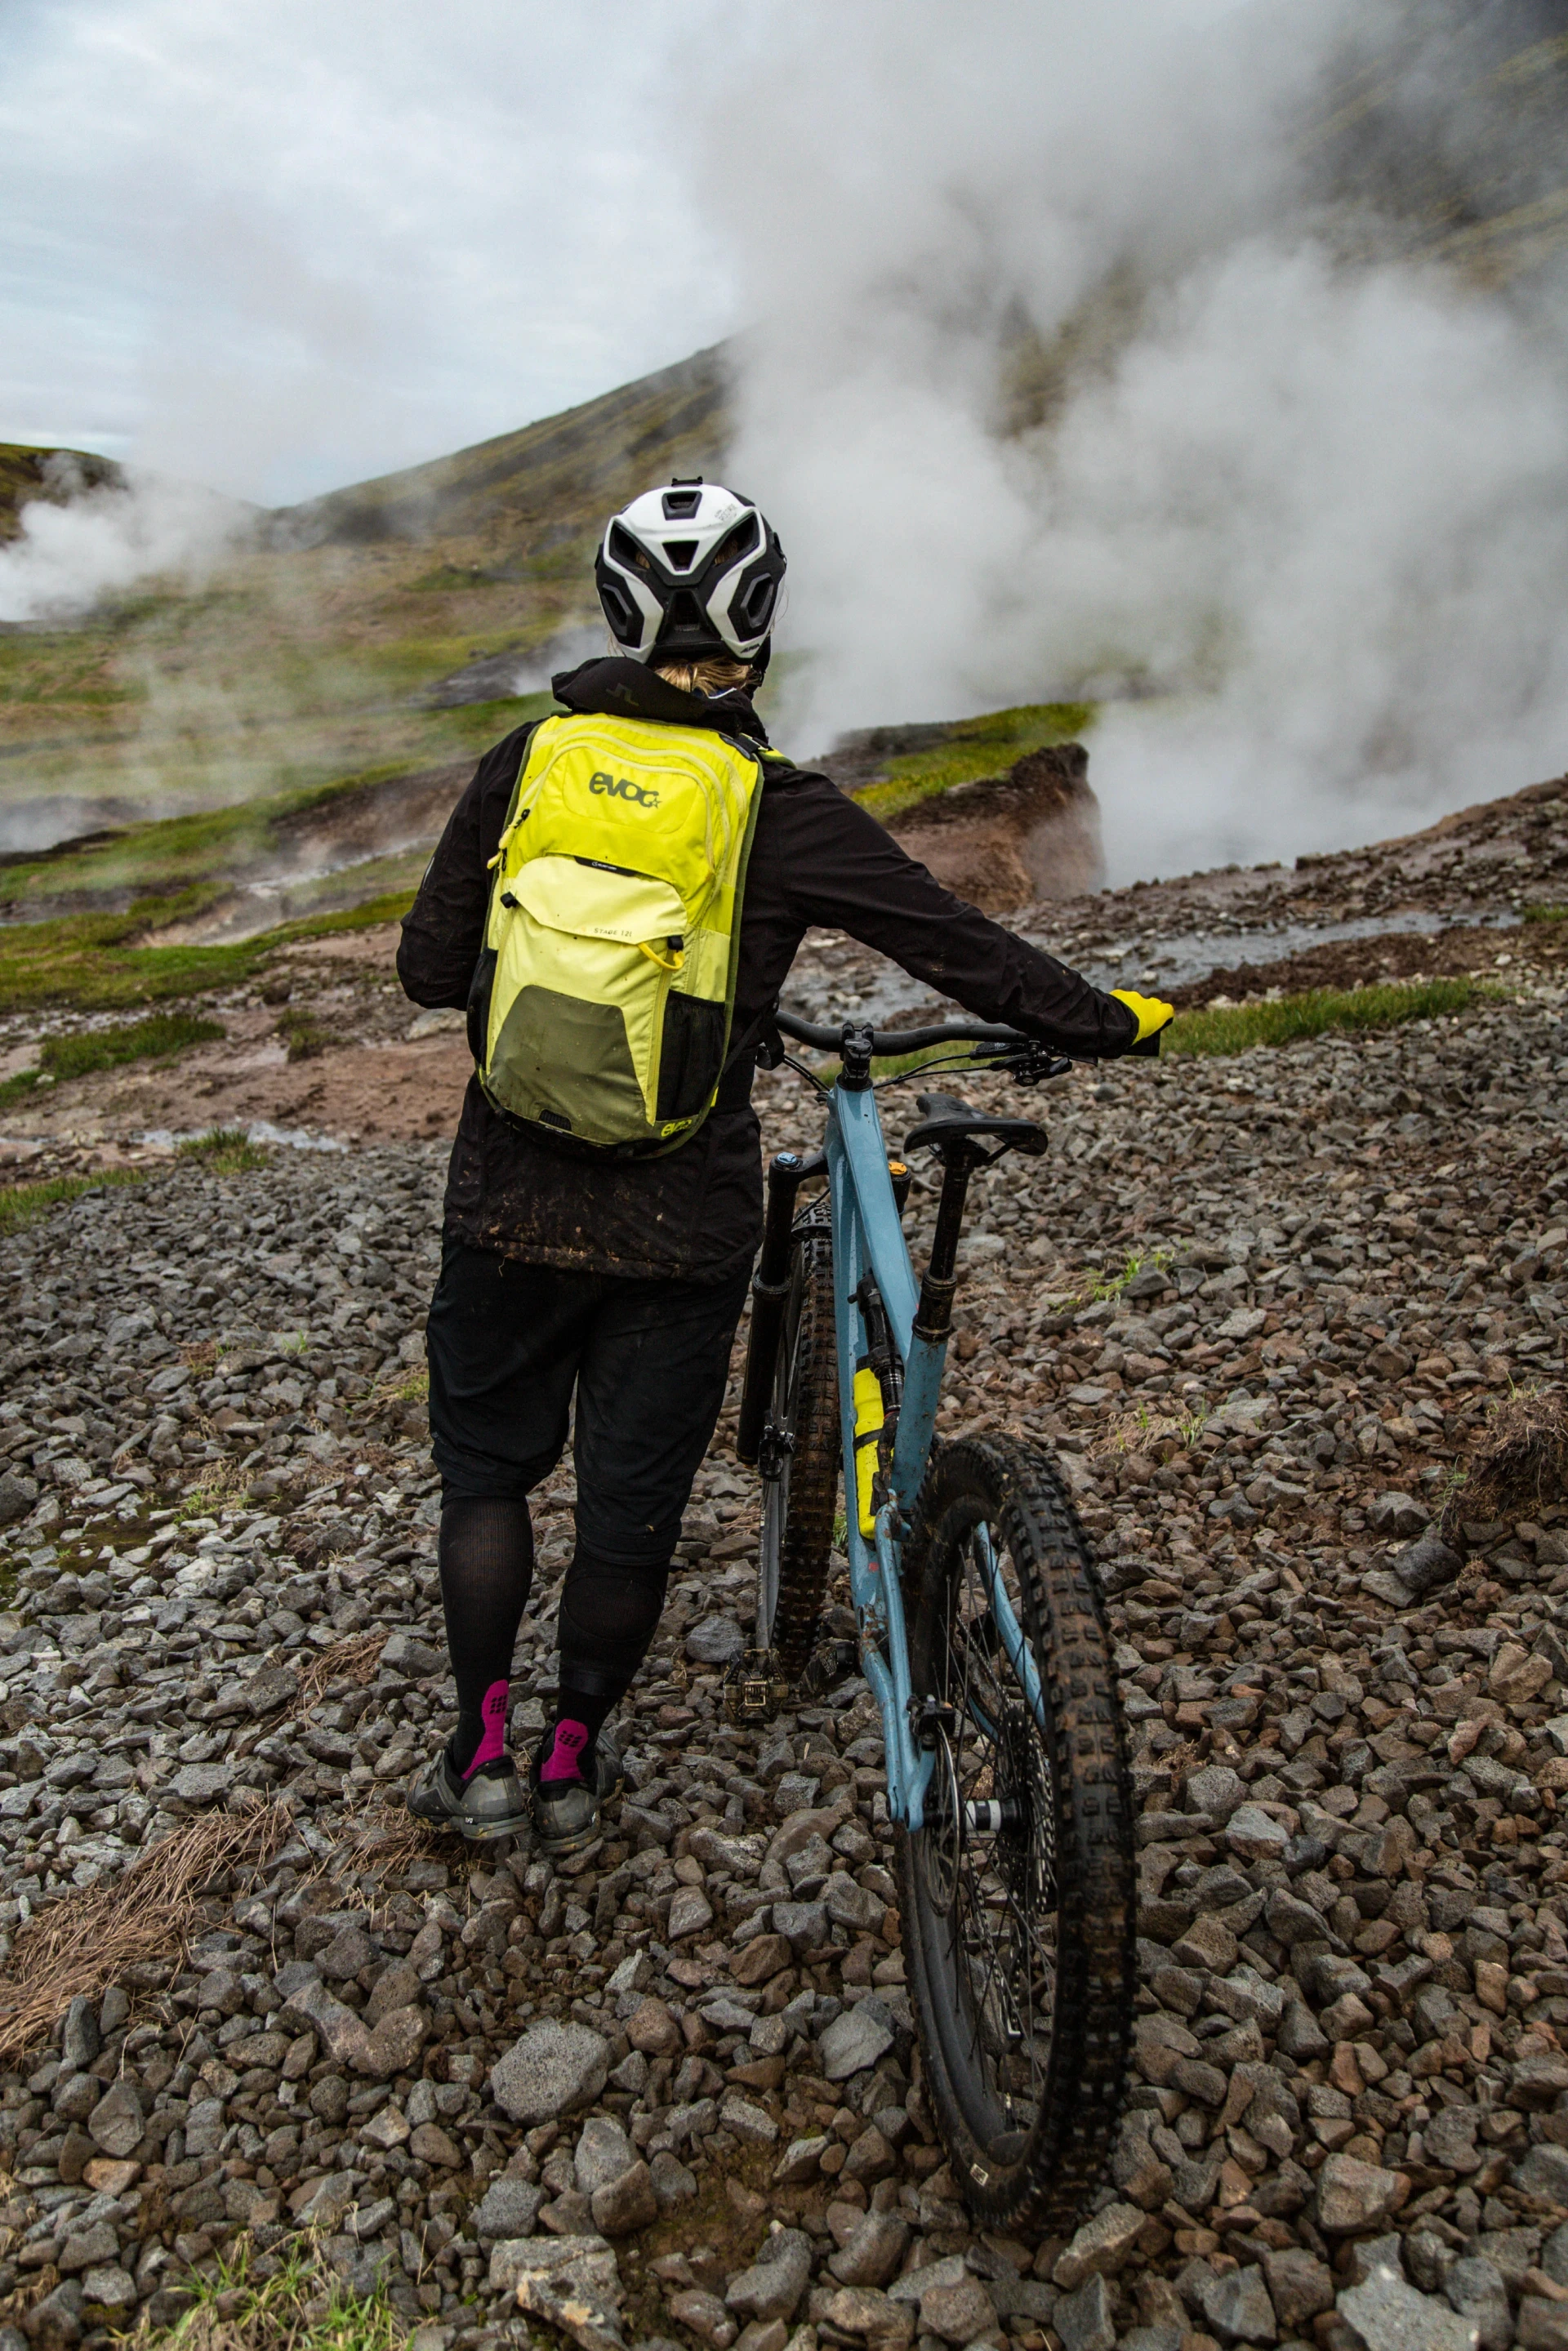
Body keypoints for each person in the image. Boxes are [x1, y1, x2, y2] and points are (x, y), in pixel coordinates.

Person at [396, 476, 1171, 1852]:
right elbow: (956, 945)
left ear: (617, 612)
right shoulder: (776, 804)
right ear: (761, 622)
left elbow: (421, 973)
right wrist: (1106, 1019)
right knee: (629, 1508)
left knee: (492, 1478)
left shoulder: (526, 762)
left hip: (504, 1197)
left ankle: (476, 1755)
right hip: (681, 1219)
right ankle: (573, 1761)